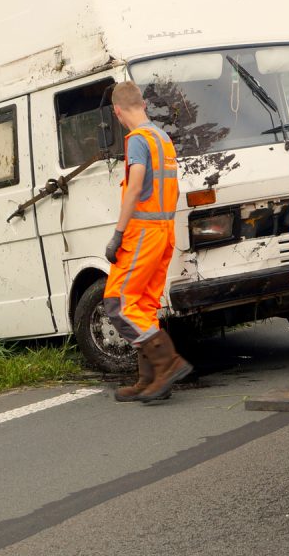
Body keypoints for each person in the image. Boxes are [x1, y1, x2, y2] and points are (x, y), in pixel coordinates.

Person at [103, 81, 192, 402]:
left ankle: (167, 363)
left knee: (118, 302)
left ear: (117, 111)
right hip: (164, 230)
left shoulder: (139, 141)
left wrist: (118, 233)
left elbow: (136, 184)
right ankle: (151, 379)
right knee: (144, 304)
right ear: (142, 105)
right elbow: (174, 188)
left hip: (142, 231)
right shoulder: (162, 138)